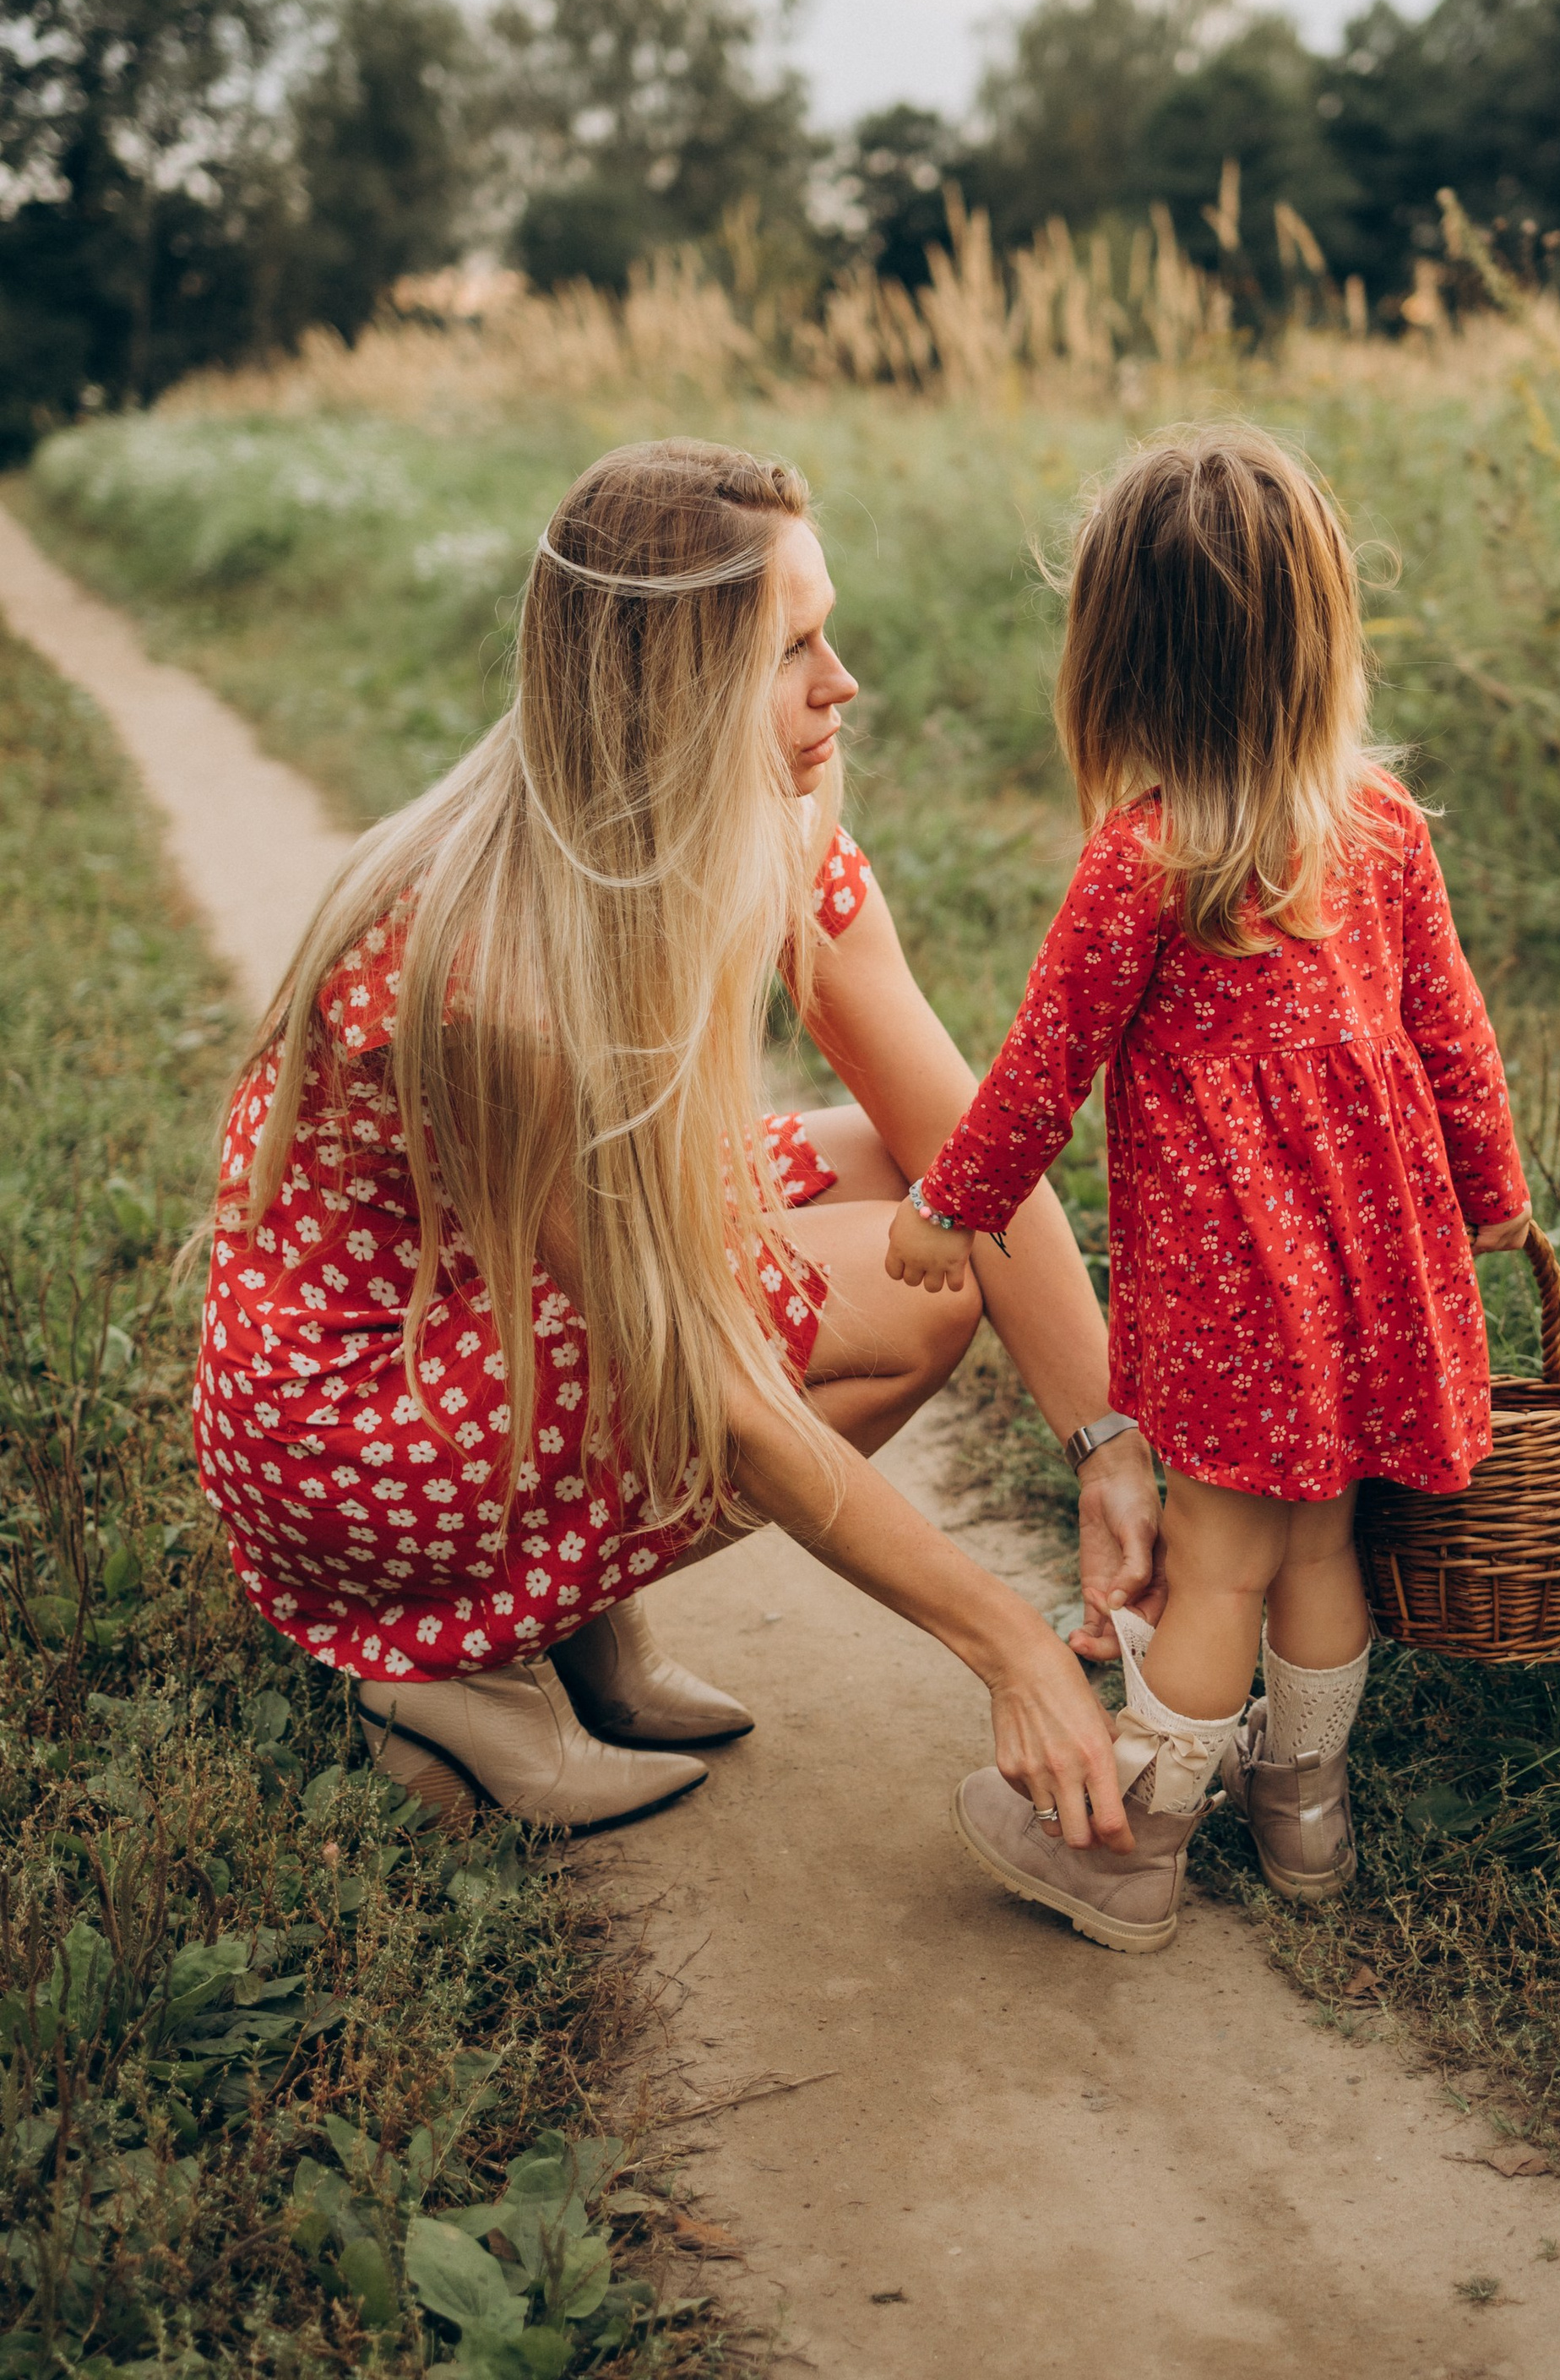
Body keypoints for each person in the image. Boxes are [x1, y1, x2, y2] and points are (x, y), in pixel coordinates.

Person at [192, 439, 1160, 1839]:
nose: (844, 686)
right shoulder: (490, 968)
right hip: (352, 1422)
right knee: (899, 1304)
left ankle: (563, 1608)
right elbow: (706, 1376)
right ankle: (456, 1658)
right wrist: (1004, 1638)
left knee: (915, 1191)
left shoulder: (764, 822)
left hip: (479, 1304)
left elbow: (972, 1156)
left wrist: (1108, 1447)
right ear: (669, 688)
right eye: (795, 652)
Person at [886, 424, 1531, 1952]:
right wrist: (1491, 1191)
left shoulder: (1145, 861)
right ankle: (1305, 1817)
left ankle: (1137, 1838)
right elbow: (1455, 1032)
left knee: (1220, 1569)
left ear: (1126, 660)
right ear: (1320, 639)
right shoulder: (1381, 829)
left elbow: (1041, 1067)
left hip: (1240, 1293)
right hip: (1377, 1273)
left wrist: (952, 1208)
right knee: (1321, 1551)